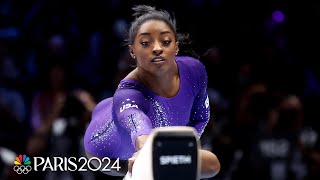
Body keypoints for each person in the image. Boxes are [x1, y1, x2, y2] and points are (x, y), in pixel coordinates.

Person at [83, 4, 220, 179]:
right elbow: (139, 128)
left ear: (176, 47)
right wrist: (146, 149)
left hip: (156, 149)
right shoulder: (129, 94)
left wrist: (181, 148)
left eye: (165, 41)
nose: (157, 48)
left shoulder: (195, 70)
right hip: (107, 154)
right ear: (132, 50)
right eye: (146, 43)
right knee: (148, 164)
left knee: (212, 164)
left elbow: (200, 118)